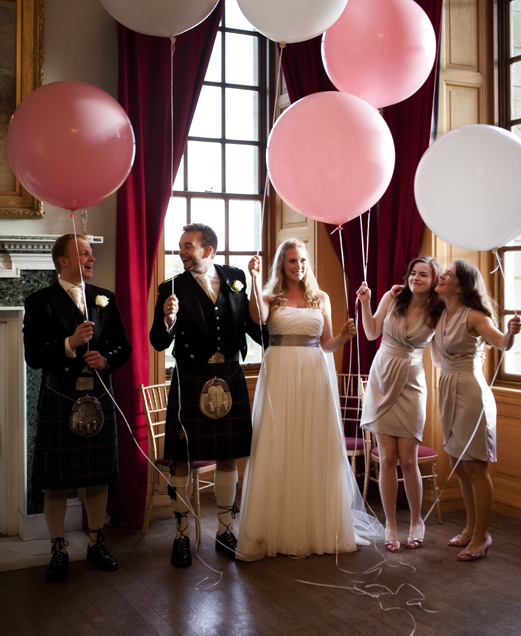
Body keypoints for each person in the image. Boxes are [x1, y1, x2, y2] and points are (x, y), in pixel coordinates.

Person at [236, 239, 360, 561]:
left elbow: (327, 344)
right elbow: (258, 317)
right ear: (282, 264)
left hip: (314, 374)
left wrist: (343, 337)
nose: (299, 266)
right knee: (280, 444)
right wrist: (253, 277)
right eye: (292, 261)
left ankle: (316, 526)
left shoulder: (320, 298)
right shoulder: (269, 296)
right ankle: (275, 529)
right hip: (280, 373)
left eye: (302, 260)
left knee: (313, 445)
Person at [150, 223, 264, 566]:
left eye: (188, 246)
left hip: (229, 374)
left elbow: (256, 328)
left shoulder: (234, 277)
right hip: (190, 378)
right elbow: (158, 341)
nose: (181, 251)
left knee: (228, 456)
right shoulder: (171, 287)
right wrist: (168, 320)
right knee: (182, 458)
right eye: (181, 246)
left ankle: (226, 529)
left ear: (208, 250)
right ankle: (182, 535)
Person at [23, 233, 132, 583]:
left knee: (98, 477)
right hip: (61, 397)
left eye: (91, 252)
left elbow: (123, 346)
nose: (92, 257)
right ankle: (58, 547)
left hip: (98, 395)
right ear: (64, 261)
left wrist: (106, 358)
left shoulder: (105, 299)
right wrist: (69, 343)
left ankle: (96, 542)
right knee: (55, 482)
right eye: (84, 252)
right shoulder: (39, 302)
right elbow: (34, 356)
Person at [432, 259, 521, 561]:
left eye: (449, 274)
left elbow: (500, 342)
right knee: (458, 463)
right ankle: (470, 527)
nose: (442, 276)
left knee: (475, 466)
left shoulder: (474, 316)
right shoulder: (441, 313)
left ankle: (482, 535)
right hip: (446, 387)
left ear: (462, 285)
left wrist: (510, 332)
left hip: (471, 392)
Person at [358, 256, 443, 552]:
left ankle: (417, 520)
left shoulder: (439, 309)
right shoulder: (392, 298)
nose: (415, 278)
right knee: (387, 458)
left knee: (408, 459)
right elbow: (371, 333)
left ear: (435, 282)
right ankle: (391, 525)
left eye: (423, 275)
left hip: (412, 381)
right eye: (413, 273)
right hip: (381, 378)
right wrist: (366, 303)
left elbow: (450, 339)